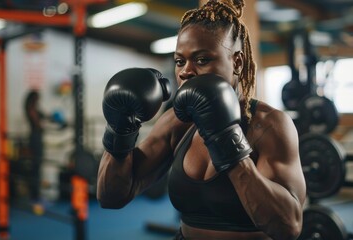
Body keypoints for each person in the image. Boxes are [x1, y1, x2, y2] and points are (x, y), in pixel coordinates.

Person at [97, 0, 306, 239]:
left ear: (237, 62)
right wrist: (120, 129)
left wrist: (226, 138)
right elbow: (111, 197)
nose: (186, 71)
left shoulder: (269, 125)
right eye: (179, 61)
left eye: (202, 59)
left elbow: (288, 226)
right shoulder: (176, 123)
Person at [24, 90, 45, 203]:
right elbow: (37, 124)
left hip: (35, 138)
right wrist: (42, 125)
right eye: (37, 98)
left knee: (36, 166)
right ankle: (35, 196)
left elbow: (42, 116)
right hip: (35, 139)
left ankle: (35, 195)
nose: (39, 100)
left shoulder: (33, 109)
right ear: (33, 99)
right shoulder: (31, 109)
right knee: (36, 166)